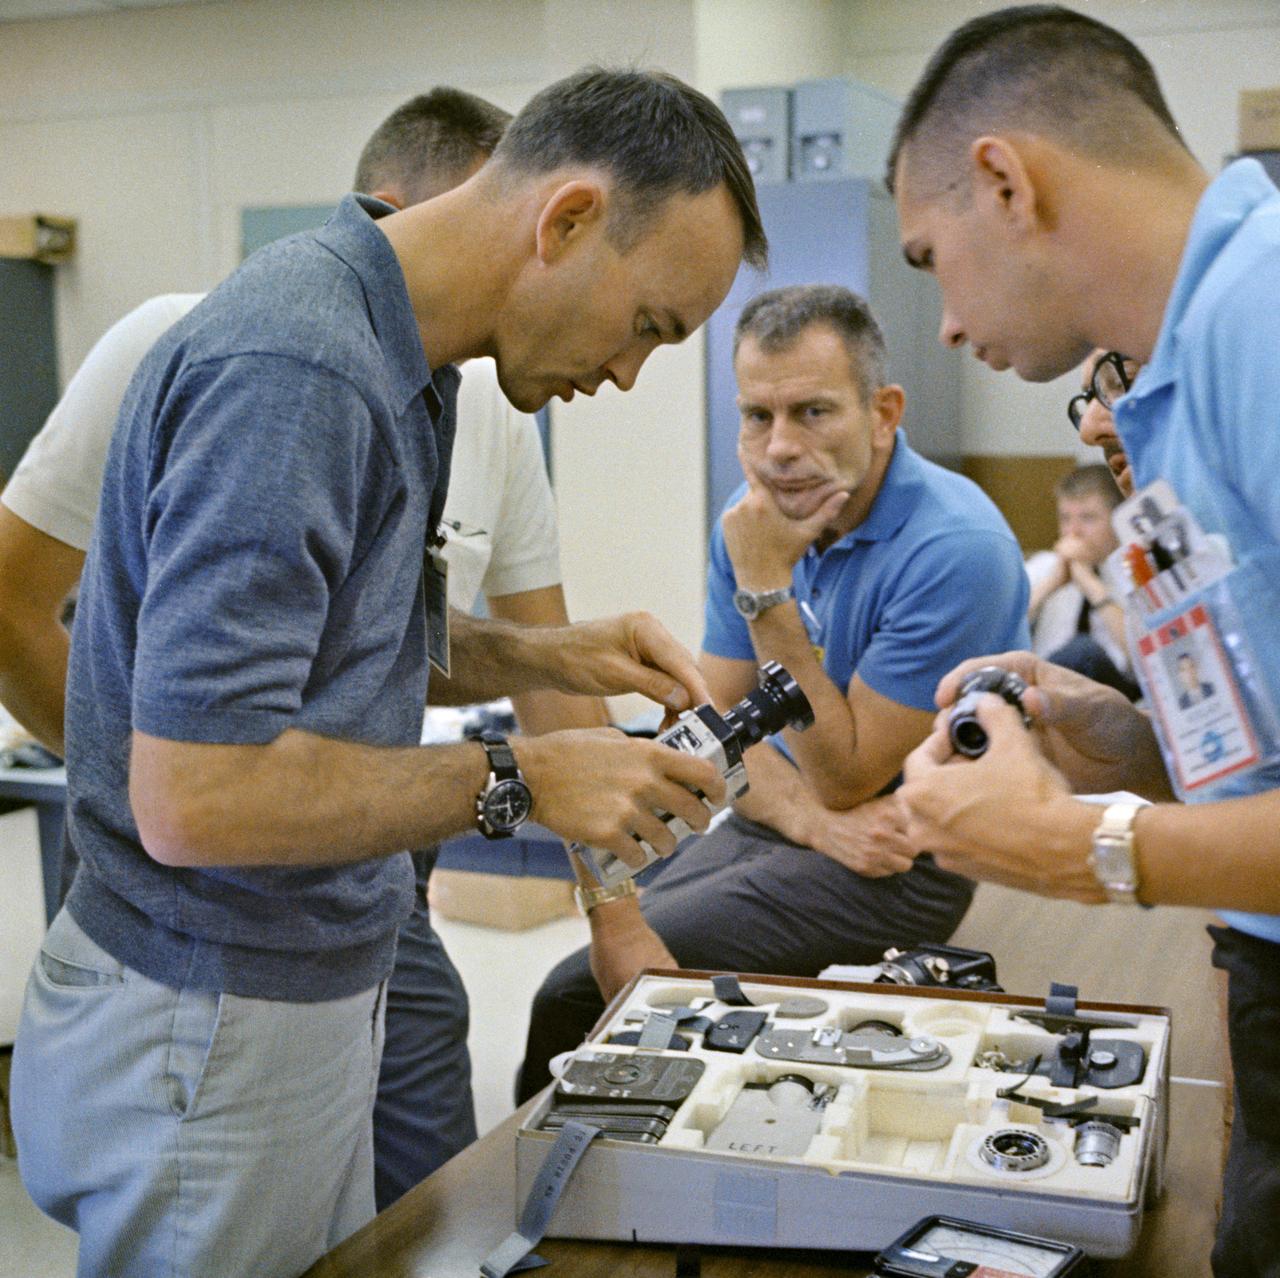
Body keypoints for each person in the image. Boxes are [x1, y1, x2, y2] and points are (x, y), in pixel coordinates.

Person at [10, 66, 766, 1278]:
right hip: (209, 1016)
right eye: (645, 327)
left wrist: (537, 653)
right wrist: (517, 777)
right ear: (565, 219)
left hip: (277, 995)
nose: (627, 374)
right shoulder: (299, 369)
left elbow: (330, 649)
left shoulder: (400, 362)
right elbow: (196, 793)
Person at [887, 6, 1280, 1273]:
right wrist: (1130, 746)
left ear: (1004, 181)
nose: (943, 322)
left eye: (929, 257)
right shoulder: (1175, 365)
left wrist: (1082, 849)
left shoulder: (1259, 319)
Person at [516, 283, 1030, 1101]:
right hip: (788, 822)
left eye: (812, 412)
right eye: (758, 416)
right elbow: (716, 726)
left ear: (884, 412)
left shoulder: (955, 549)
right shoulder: (749, 520)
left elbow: (847, 773)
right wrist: (807, 822)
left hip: (900, 861)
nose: (779, 447)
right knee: (604, 961)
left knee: (575, 993)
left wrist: (766, 588)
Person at [1025, 463, 1136, 699]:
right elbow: (999, 634)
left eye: (1087, 518)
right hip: (1045, 683)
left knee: (1083, 651)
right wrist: (1051, 584)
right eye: (1065, 518)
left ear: (1117, 521)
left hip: (1118, 692)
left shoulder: (1134, 569)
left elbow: (1143, 658)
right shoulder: (1044, 566)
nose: (1073, 532)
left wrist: (1090, 584)